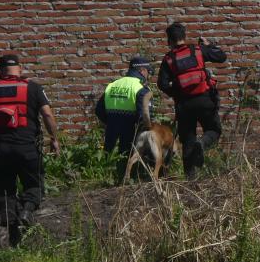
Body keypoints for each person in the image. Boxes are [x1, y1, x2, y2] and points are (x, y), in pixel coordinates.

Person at [0, 54, 59, 246]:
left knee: (4, 191)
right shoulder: (33, 88)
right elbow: (47, 114)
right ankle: (27, 210)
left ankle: (10, 236)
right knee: (34, 185)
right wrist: (54, 139)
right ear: (19, 69)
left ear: (0, 71)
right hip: (26, 148)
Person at [157, 22, 227, 178]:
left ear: (169, 40)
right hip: (204, 100)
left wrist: (176, 92)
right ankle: (202, 144)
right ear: (184, 36)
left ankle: (191, 181)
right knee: (214, 130)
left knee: (188, 141)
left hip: (184, 105)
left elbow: (161, 84)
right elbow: (222, 57)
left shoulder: (168, 59)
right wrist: (209, 46)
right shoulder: (198, 50)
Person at [95, 55, 153, 167]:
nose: (148, 76)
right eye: (148, 72)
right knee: (125, 166)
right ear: (142, 70)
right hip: (130, 137)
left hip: (111, 134)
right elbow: (145, 117)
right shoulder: (140, 88)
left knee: (108, 164)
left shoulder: (113, 85)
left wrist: (112, 122)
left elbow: (99, 110)